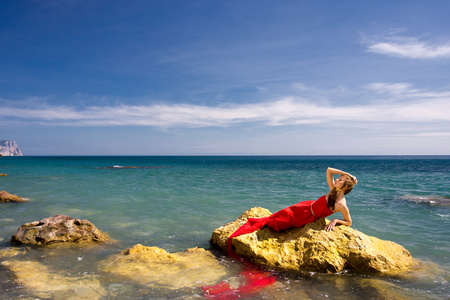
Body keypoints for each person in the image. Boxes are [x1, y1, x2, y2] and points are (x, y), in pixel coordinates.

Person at [227, 167, 357, 254]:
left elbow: (348, 222)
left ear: (344, 186)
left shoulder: (341, 205)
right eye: (339, 178)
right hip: (305, 206)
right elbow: (329, 170)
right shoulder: (333, 190)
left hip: (307, 217)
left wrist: (335, 220)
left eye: (340, 180)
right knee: (278, 216)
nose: (337, 179)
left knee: (277, 224)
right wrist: (349, 175)